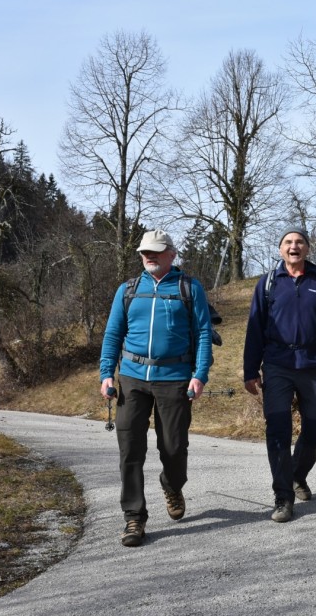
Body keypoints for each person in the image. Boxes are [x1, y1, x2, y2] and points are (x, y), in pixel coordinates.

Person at [99, 229, 212, 547]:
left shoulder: (189, 288)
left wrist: (199, 374)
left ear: (171, 254)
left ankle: (172, 484)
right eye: (144, 251)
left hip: (175, 378)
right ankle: (134, 518)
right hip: (132, 379)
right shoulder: (128, 290)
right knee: (130, 451)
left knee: (173, 448)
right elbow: (112, 334)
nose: (148, 255)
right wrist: (107, 374)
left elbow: (204, 333)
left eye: (155, 251)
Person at [243, 226, 316, 523]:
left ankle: (296, 474)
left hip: (314, 365)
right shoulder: (268, 284)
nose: (294, 247)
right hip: (277, 364)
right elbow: (254, 329)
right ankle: (283, 498)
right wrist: (250, 370)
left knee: (315, 430)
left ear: (307, 249)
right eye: (288, 242)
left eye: (299, 242)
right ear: (280, 250)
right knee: (278, 431)